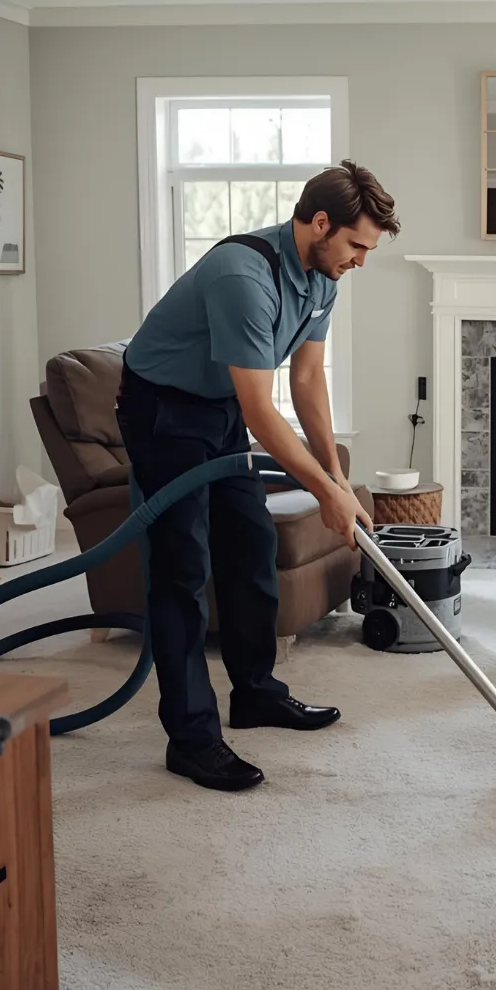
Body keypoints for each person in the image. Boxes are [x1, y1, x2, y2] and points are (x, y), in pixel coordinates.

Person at [117, 160, 398, 791]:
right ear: (320, 223)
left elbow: (306, 382)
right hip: (162, 406)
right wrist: (326, 492)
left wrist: (336, 479)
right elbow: (260, 410)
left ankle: (255, 693)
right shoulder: (245, 275)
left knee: (250, 543)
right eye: (356, 245)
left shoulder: (324, 275)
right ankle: (191, 739)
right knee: (182, 566)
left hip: (216, 404)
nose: (360, 260)